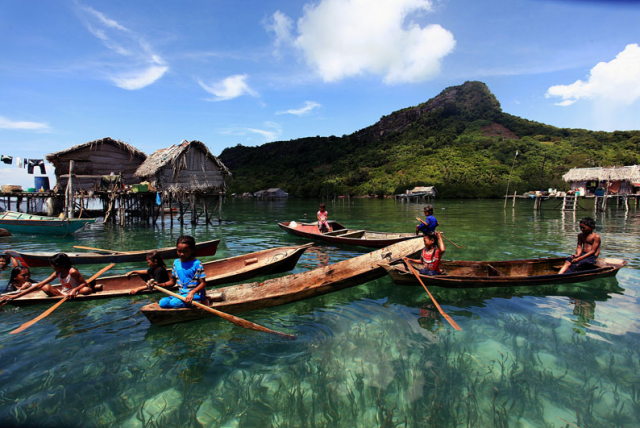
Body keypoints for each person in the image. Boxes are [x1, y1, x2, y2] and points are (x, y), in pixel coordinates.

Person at [0, 253, 93, 302]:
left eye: (52, 265)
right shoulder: (57, 272)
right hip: (65, 293)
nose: (51, 266)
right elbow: (40, 285)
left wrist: (74, 290)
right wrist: (16, 296)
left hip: (77, 291)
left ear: (59, 265)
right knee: (45, 287)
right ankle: (65, 297)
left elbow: (84, 283)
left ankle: (69, 297)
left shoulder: (72, 272)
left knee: (86, 290)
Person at [151, 236, 207, 309]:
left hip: (195, 294)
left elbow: (203, 283)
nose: (181, 254)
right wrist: (159, 284)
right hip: (181, 294)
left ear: (192, 250)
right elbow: (172, 282)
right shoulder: (176, 263)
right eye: (179, 251)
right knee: (162, 303)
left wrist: (192, 292)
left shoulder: (197, 264)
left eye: (185, 251)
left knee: (174, 303)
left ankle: (202, 302)